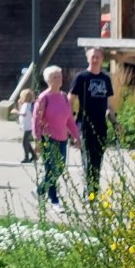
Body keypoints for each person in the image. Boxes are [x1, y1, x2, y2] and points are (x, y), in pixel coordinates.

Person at [33, 65, 81, 216]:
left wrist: (75, 136)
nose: (58, 79)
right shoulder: (43, 98)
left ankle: (40, 189)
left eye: (59, 76)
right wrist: (38, 141)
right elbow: (36, 120)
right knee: (52, 169)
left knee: (59, 169)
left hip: (62, 139)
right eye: (55, 77)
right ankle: (54, 201)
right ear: (48, 80)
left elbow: (69, 120)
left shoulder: (63, 97)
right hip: (48, 139)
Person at [69, 47, 117, 196]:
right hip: (85, 123)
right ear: (88, 59)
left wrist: (115, 122)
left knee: (98, 158)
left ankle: (93, 189)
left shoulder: (105, 78)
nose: (95, 59)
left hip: (101, 124)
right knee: (88, 158)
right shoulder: (82, 77)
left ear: (102, 59)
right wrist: (70, 119)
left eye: (98, 57)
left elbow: (109, 103)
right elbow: (70, 98)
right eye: (93, 57)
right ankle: (90, 191)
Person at [16, 88, 36, 164]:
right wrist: (19, 104)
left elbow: (23, 113)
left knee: (24, 142)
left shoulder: (26, 105)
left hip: (27, 126)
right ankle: (34, 155)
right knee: (26, 141)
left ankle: (26, 157)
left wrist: (15, 112)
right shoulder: (29, 104)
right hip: (27, 126)